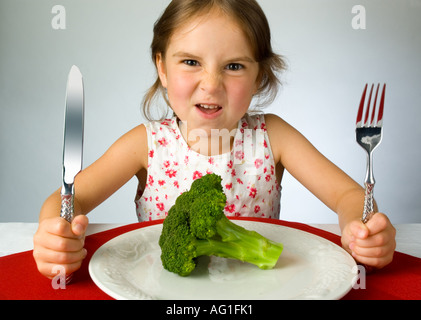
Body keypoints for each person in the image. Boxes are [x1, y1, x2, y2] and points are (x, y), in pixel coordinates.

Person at [33, 0, 396, 279]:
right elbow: (68, 197)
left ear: (258, 76)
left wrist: (359, 229)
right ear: (161, 67)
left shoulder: (274, 136)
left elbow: (349, 195)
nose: (211, 83)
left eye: (234, 66)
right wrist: (56, 237)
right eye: (191, 62)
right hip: (164, 292)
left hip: (260, 291)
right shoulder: (145, 144)